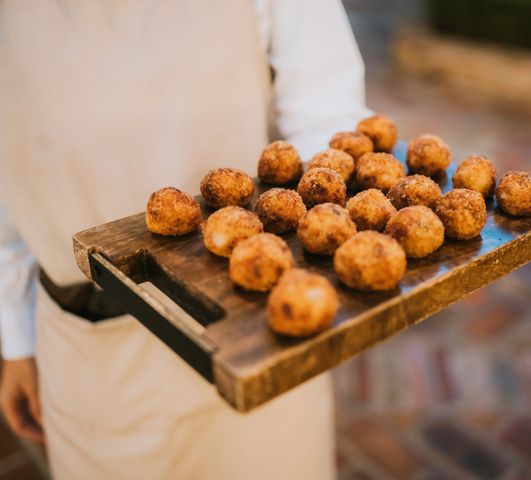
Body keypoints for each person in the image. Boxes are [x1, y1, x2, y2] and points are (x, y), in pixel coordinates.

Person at [0, 1, 369, 478]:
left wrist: (338, 234)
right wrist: (16, 334)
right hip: (87, 349)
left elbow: (326, 107)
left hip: (260, 325)